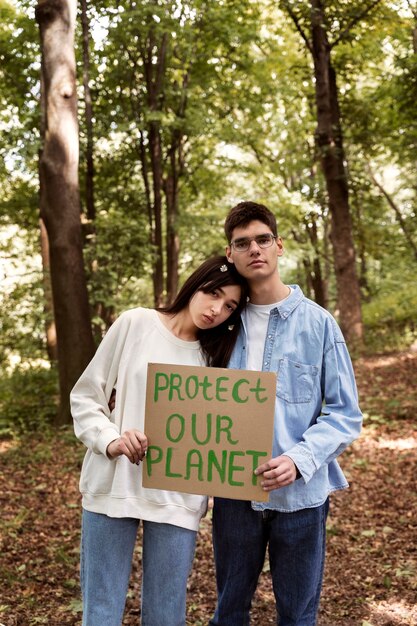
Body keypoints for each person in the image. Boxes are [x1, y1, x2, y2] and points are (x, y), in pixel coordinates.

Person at [70, 255, 249, 626]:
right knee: (100, 613)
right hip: (113, 485)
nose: (216, 309)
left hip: (176, 498)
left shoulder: (217, 359)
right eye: (213, 293)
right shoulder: (136, 323)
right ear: (196, 284)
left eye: (229, 305)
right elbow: (86, 397)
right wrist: (112, 438)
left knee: (166, 616)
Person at [209, 201, 363, 626]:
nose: (254, 248)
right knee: (228, 613)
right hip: (234, 495)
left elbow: (345, 413)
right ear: (230, 254)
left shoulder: (319, 324)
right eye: (242, 243)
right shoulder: (220, 326)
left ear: (278, 246)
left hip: (301, 498)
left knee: (297, 616)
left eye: (262, 239)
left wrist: (299, 459)